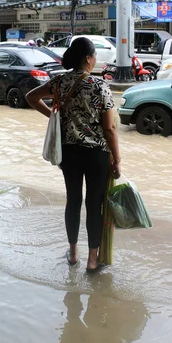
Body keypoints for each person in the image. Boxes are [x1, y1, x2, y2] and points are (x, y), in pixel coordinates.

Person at [26, 37, 121, 273]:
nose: (96, 60)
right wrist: (117, 160)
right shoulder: (99, 86)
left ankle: (73, 253)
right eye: (95, 56)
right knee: (94, 204)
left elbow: (31, 97)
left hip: (68, 153)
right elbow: (109, 129)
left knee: (73, 200)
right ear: (88, 58)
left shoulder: (59, 82)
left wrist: (53, 116)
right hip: (97, 154)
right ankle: (92, 260)